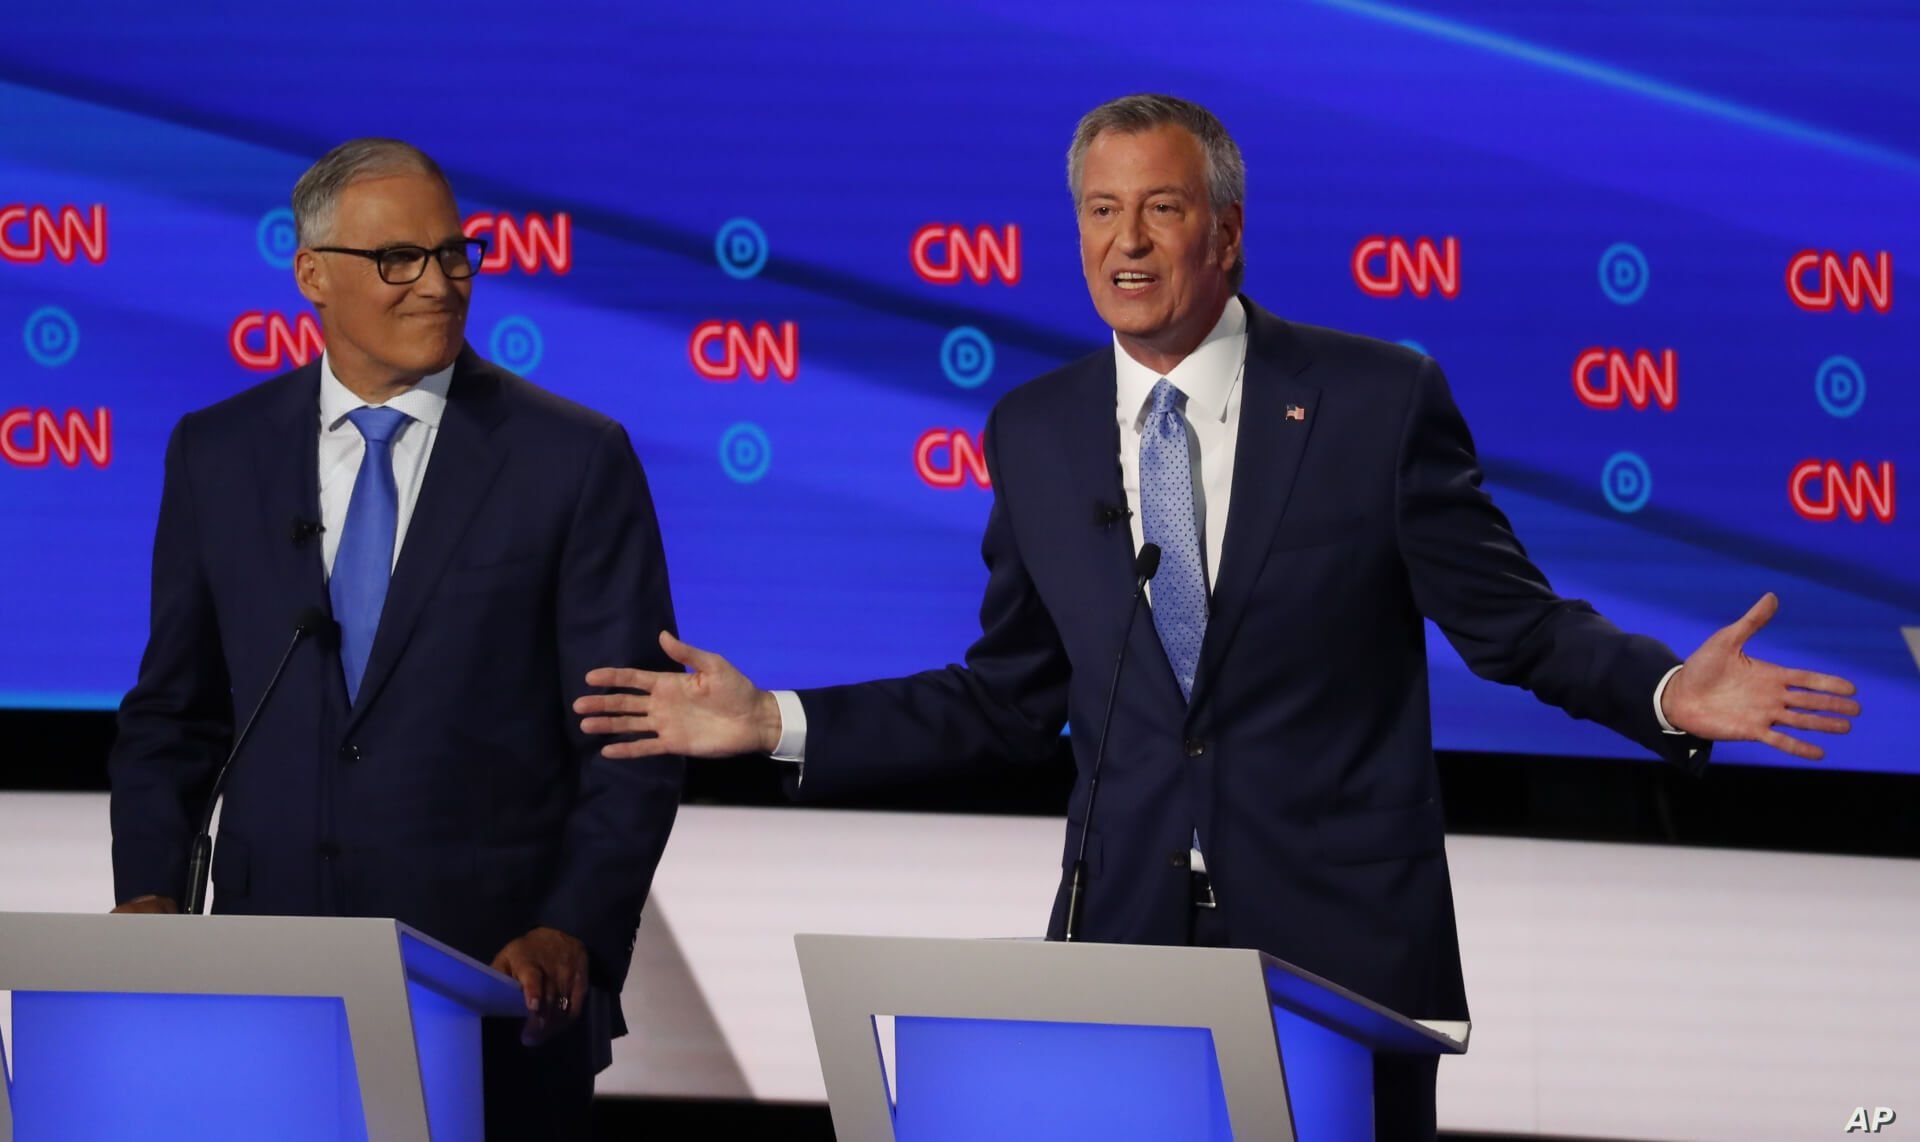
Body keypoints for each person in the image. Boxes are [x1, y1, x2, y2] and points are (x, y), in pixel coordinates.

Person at [574, 95, 1858, 1139]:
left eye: (1161, 209)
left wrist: (1656, 692)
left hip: (1336, 960)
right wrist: (780, 721)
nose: (1126, 242)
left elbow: (1511, 626)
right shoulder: (1036, 428)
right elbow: (1010, 694)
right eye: (1099, 212)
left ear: (1225, 235)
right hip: (1125, 937)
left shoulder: (1371, 400)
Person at [108, 138, 683, 1139]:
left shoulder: (572, 459)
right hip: (269, 988)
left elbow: (631, 741)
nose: (438, 283)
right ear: (313, 274)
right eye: (399, 260)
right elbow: (176, 710)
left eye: (455, 254)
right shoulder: (218, 451)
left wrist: (571, 925)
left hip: (494, 996)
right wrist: (151, 892)